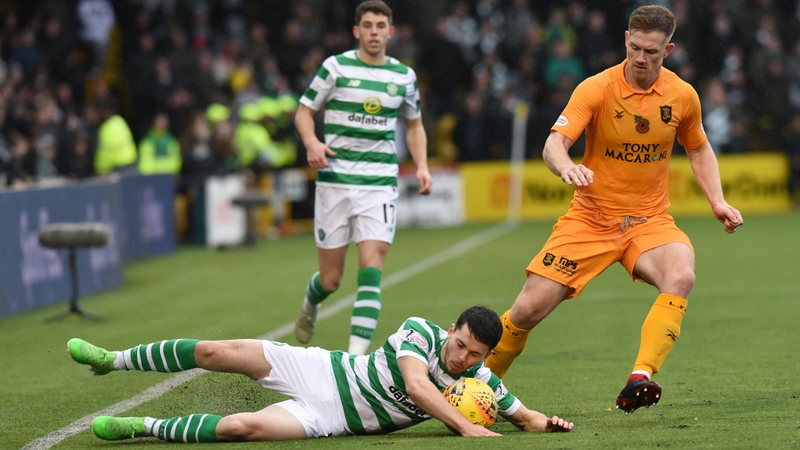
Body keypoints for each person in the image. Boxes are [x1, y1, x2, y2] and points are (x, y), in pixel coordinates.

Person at [484, 5, 744, 415]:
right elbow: (554, 144)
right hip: (591, 219)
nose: (641, 58)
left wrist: (718, 200)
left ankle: (641, 375)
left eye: (652, 52)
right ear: (626, 39)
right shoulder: (597, 88)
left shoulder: (682, 95)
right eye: (636, 47)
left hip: (649, 221)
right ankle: (476, 384)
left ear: (668, 49)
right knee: (527, 310)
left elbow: (697, 147)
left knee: (682, 274)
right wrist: (567, 167)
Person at [67, 306, 574, 442]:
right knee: (215, 351)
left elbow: (521, 416)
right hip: (322, 370)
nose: (462, 358)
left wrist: (544, 421)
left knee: (239, 428)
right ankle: (112, 359)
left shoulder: (479, 381)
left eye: (473, 355)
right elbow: (417, 385)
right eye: (460, 344)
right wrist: (464, 426)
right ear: (451, 330)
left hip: (327, 419)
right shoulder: (419, 331)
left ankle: (145, 428)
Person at [294, 1, 433, 355]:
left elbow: (414, 124)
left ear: (391, 31)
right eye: (367, 25)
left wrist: (422, 165)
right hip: (335, 181)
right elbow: (304, 111)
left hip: (379, 183)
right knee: (331, 279)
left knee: (372, 267)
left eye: (380, 25)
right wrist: (312, 142)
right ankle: (311, 302)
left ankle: (355, 361)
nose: (374, 32)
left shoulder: (403, 76)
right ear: (357, 31)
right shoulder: (335, 67)